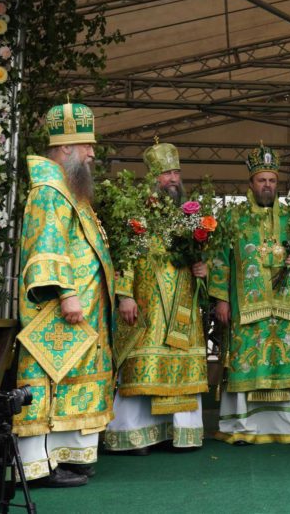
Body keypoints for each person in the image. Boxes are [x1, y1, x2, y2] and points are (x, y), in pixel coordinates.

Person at [13, 103, 114, 487]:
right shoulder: (49, 189)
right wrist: (69, 293)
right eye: (86, 145)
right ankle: (37, 466)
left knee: (75, 380)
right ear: (66, 148)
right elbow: (46, 245)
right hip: (59, 309)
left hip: (83, 311)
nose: (92, 153)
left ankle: (70, 456)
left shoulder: (70, 189)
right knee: (47, 380)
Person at [103, 142, 208, 454]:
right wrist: (124, 296)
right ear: (153, 178)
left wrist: (203, 269)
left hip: (184, 304)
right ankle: (136, 435)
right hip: (147, 303)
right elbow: (124, 257)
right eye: (165, 173)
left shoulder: (192, 218)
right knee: (143, 364)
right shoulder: (138, 213)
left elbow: (200, 259)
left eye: (176, 172)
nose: (173, 178)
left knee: (180, 363)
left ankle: (181, 432)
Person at [209, 145, 290, 444]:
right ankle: (242, 427)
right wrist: (221, 299)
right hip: (246, 308)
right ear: (251, 183)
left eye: (272, 181)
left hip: (286, 309)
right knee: (246, 364)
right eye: (261, 180)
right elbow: (219, 258)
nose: (267, 186)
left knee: (285, 362)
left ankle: (289, 428)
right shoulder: (233, 218)